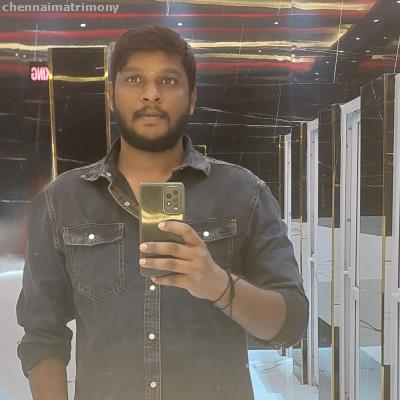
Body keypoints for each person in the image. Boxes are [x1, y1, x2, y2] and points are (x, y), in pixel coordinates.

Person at [16, 25, 309, 400]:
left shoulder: (244, 194)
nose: (151, 93)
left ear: (192, 98)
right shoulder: (61, 203)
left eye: (168, 80)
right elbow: (42, 334)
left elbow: (291, 324)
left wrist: (218, 285)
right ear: (111, 94)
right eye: (134, 79)